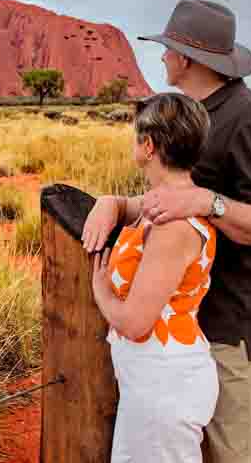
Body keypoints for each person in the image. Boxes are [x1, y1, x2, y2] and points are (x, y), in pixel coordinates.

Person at [83, 0, 251, 463]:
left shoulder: (249, 116)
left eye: (168, 48)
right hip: (184, 331)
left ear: (187, 58)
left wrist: (206, 203)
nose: (162, 58)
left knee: (229, 456)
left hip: (229, 327)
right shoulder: (195, 114)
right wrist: (112, 204)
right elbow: (168, 199)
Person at [90, 92, 219, 463]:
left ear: (148, 146)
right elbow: (130, 207)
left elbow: (135, 322)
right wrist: (108, 203)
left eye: (136, 137)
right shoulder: (164, 202)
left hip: (165, 383)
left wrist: (101, 291)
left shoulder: (173, 224)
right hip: (154, 381)